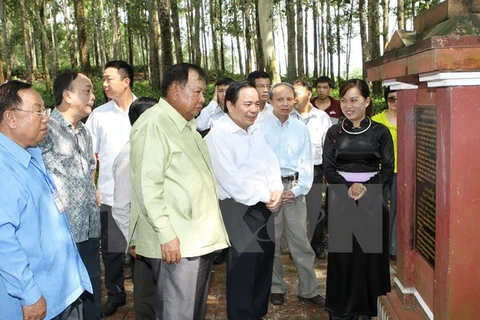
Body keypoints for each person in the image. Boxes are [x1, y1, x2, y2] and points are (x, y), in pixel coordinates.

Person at [129, 63, 229, 319]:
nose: (202, 99)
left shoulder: (186, 126)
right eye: (197, 92)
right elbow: (147, 185)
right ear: (175, 90)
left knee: (191, 311)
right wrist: (166, 233)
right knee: (178, 313)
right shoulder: (155, 124)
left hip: (195, 239)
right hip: (178, 243)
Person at [0, 80, 92, 319]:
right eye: (38, 111)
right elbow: (3, 239)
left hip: (62, 289)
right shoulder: (3, 167)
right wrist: (29, 294)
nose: (46, 118)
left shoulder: (31, 153)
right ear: (10, 118)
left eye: (45, 111)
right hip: (37, 300)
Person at [205, 81, 284, 319]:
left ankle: (257, 313)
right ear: (229, 105)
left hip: (264, 207)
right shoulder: (218, 135)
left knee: (263, 265)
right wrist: (266, 195)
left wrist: (277, 189)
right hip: (238, 208)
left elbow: (270, 161)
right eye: (247, 104)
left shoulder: (255, 130)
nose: (254, 109)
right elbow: (232, 180)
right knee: (244, 270)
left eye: (257, 104)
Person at [323, 79, 393, 320]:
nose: (348, 105)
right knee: (344, 257)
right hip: (341, 199)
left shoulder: (380, 131)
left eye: (354, 99)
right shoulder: (334, 132)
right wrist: (346, 188)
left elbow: (388, 168)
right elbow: (328, 167)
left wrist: (366, 188)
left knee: (370, 257)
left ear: (367, 101)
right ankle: (342, 309)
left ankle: (371, 308)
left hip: (371, 199)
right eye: (343, 100)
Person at [40, 72, 101, 319]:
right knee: (68, 301)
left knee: (92, 293)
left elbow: (90, 169)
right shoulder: (45, 130)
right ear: (67, 95)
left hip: (88, 228)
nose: (93, 96)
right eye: (87, 90)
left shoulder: (85, 132)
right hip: (62, 233)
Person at [258, 82, 325, 307]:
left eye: (289, 99)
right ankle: (276, 287)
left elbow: (307, 164)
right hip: (270, 192)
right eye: (280, 99)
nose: (285, 104)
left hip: (294, 190)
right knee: (273, 242)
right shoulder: (261, 127)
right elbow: (256, 162)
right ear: (270, 101)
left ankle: (309, 289)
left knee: (301, 242)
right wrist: (270, 190)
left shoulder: (300, 128)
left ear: (294, 100)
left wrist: (297, 190)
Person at [85, 60, 136, 317]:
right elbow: (89, 154)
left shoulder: (146, 110)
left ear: (126, 81)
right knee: (113, 251)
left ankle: (146, 294)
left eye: (109, 79)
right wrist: (93, 187)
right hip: (109, 194)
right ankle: (116, 294)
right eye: (102, 80)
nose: (104, 85)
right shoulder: (99, 115)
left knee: (142, 249)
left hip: (140, 197)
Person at [112, 97, 157, 320]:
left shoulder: (154, 148)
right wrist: (135, 240)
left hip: (160, 237)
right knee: (147, 296)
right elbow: (120, 207)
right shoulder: (129, 155)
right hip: (143, 241)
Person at [291, 79, 333, 260]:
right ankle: (297, 247)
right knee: (293, 212)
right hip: (292, 173)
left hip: (315, 170)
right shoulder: (287, 117)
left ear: (309, 94)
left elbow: (329, 147)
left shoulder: (322, 117)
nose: (294, 98)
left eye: (298, 93)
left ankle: (317, 244)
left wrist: (327, 172)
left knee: (315, 210)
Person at [372, 86, 398, 260]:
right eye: (391, 99)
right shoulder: (376, 120)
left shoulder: (411, 118)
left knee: (397, 210)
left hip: (401, 172)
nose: (395, 102)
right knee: (378, 209)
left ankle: (393, 248)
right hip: (379, 171)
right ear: (385, 100)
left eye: (399, 98)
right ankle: (377, 247)